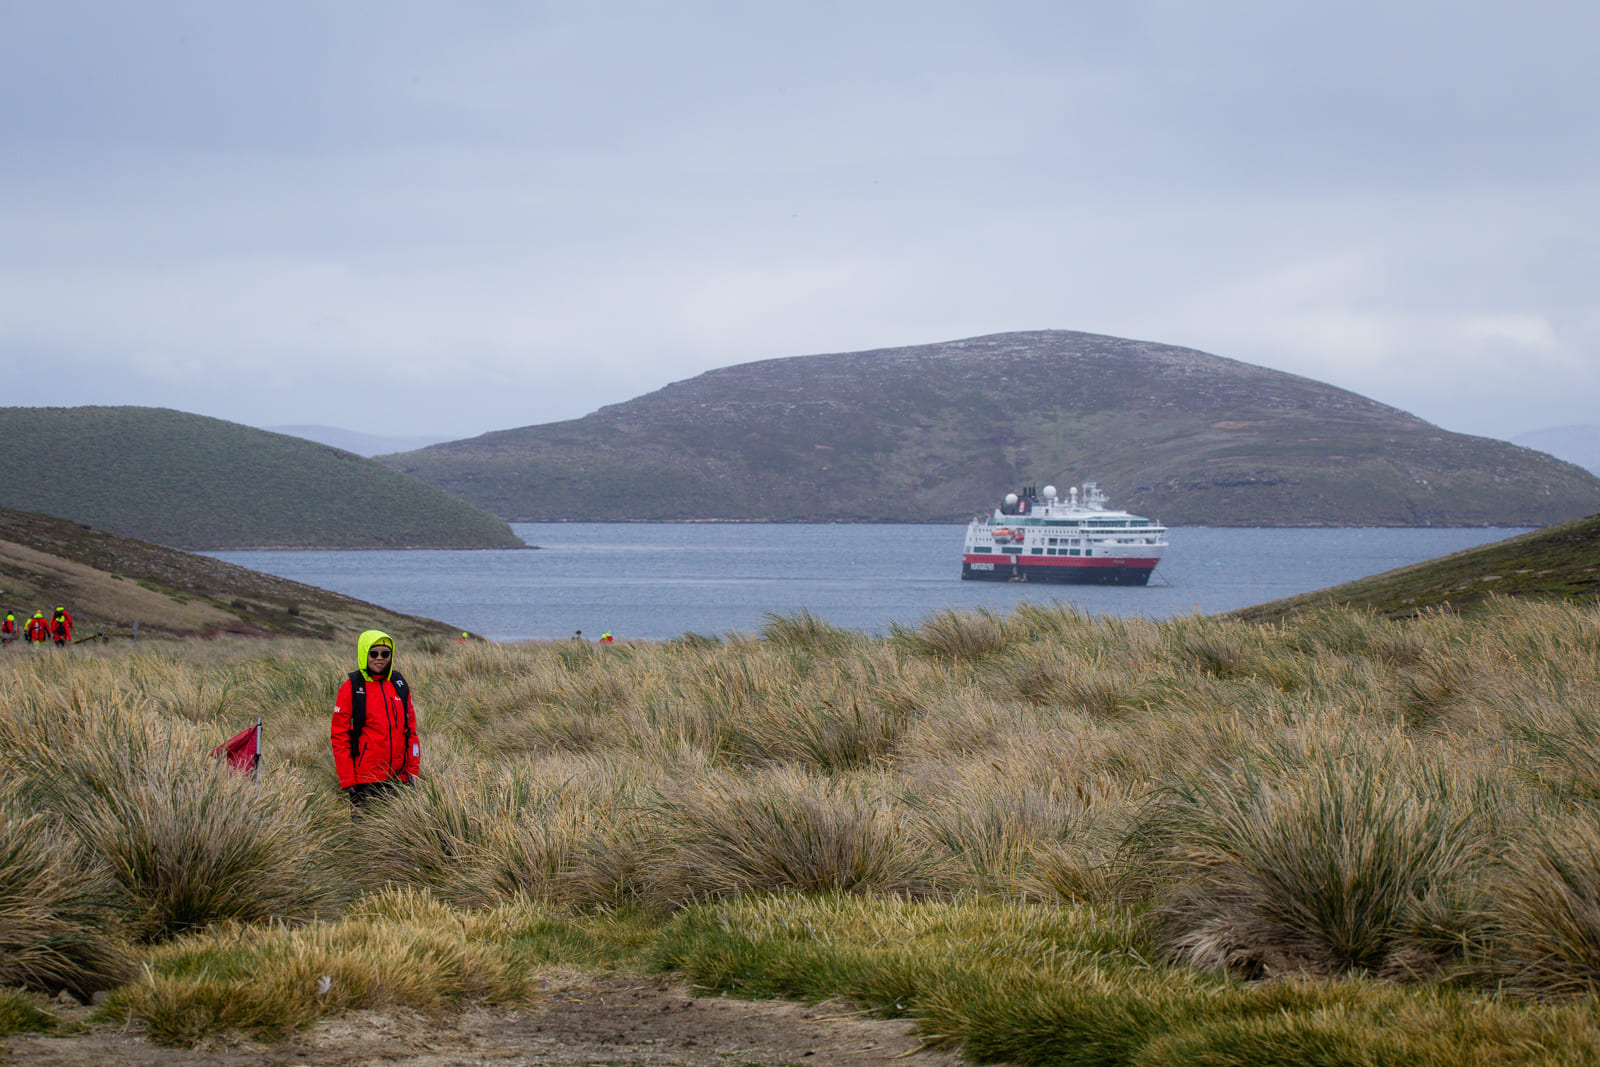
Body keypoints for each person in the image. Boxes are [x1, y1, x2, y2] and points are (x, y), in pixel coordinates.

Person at [330, 630, 420, 809]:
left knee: (396, 833)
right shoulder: (351, 687)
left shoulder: (399, 684)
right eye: (374, 653)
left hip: (397, 777)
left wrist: (412, 770)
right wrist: (347, 778)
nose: (380, 658)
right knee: (363, 833)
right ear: (365, 654)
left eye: (385, 654)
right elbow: (339, 736)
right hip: (364, 780)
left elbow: (411, 732)